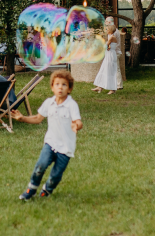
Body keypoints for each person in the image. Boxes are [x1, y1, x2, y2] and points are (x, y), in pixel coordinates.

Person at [13, 70, 83, 200]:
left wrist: (76, 125)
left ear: (70, 88)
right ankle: (31, 189)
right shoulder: (48, 103)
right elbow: (38, 118)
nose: (60, 87)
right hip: (50, 143)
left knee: (56, 175)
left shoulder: (71, 105)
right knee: (41, 165)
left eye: (64, 84)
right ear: (52, 87)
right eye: (57, 84)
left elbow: (78, 121)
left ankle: (47, 189)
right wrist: (22, 118)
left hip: (66, 147)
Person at [92, 22, 122, 95]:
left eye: (107, 29)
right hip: (108, 54)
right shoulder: (110, 36)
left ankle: (113, 89)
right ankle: (100, 86)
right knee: (104, 70)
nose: (106, 30)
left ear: (111, 30)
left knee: (110, 71)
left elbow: (106, 45)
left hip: (111, 55)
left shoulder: (112, 37)